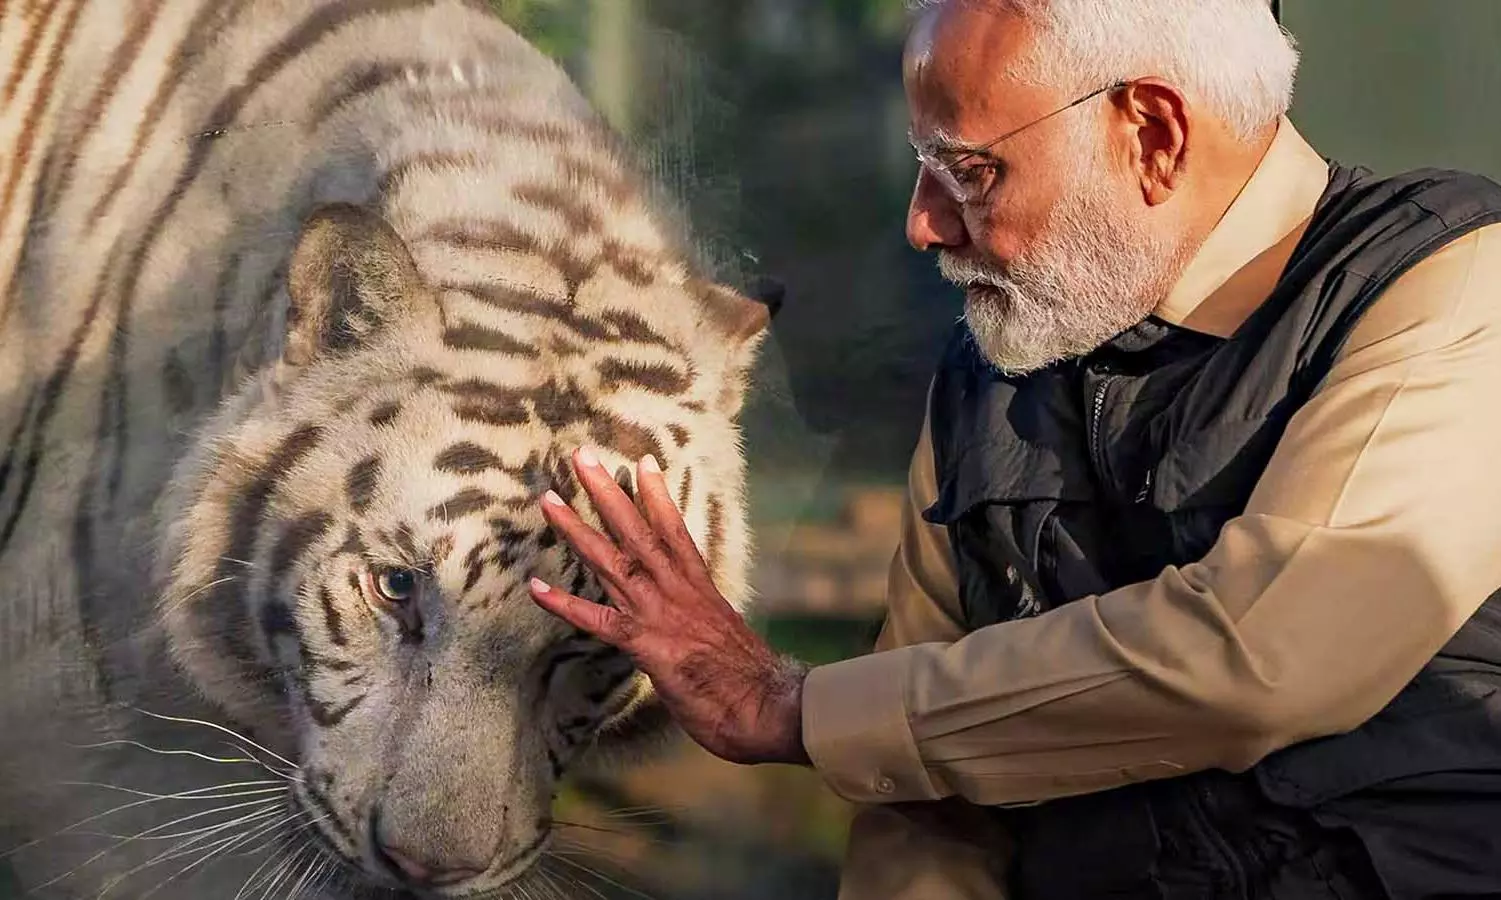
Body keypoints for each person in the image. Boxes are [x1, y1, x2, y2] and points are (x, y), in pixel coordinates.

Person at [529, 0, 1501, 897]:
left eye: (969, 171)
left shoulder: (1453, 278)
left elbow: (1264, 656)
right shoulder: (993, 364)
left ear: (1152, 136)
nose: (922, 224)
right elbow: (919, 803)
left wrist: (789, 709)